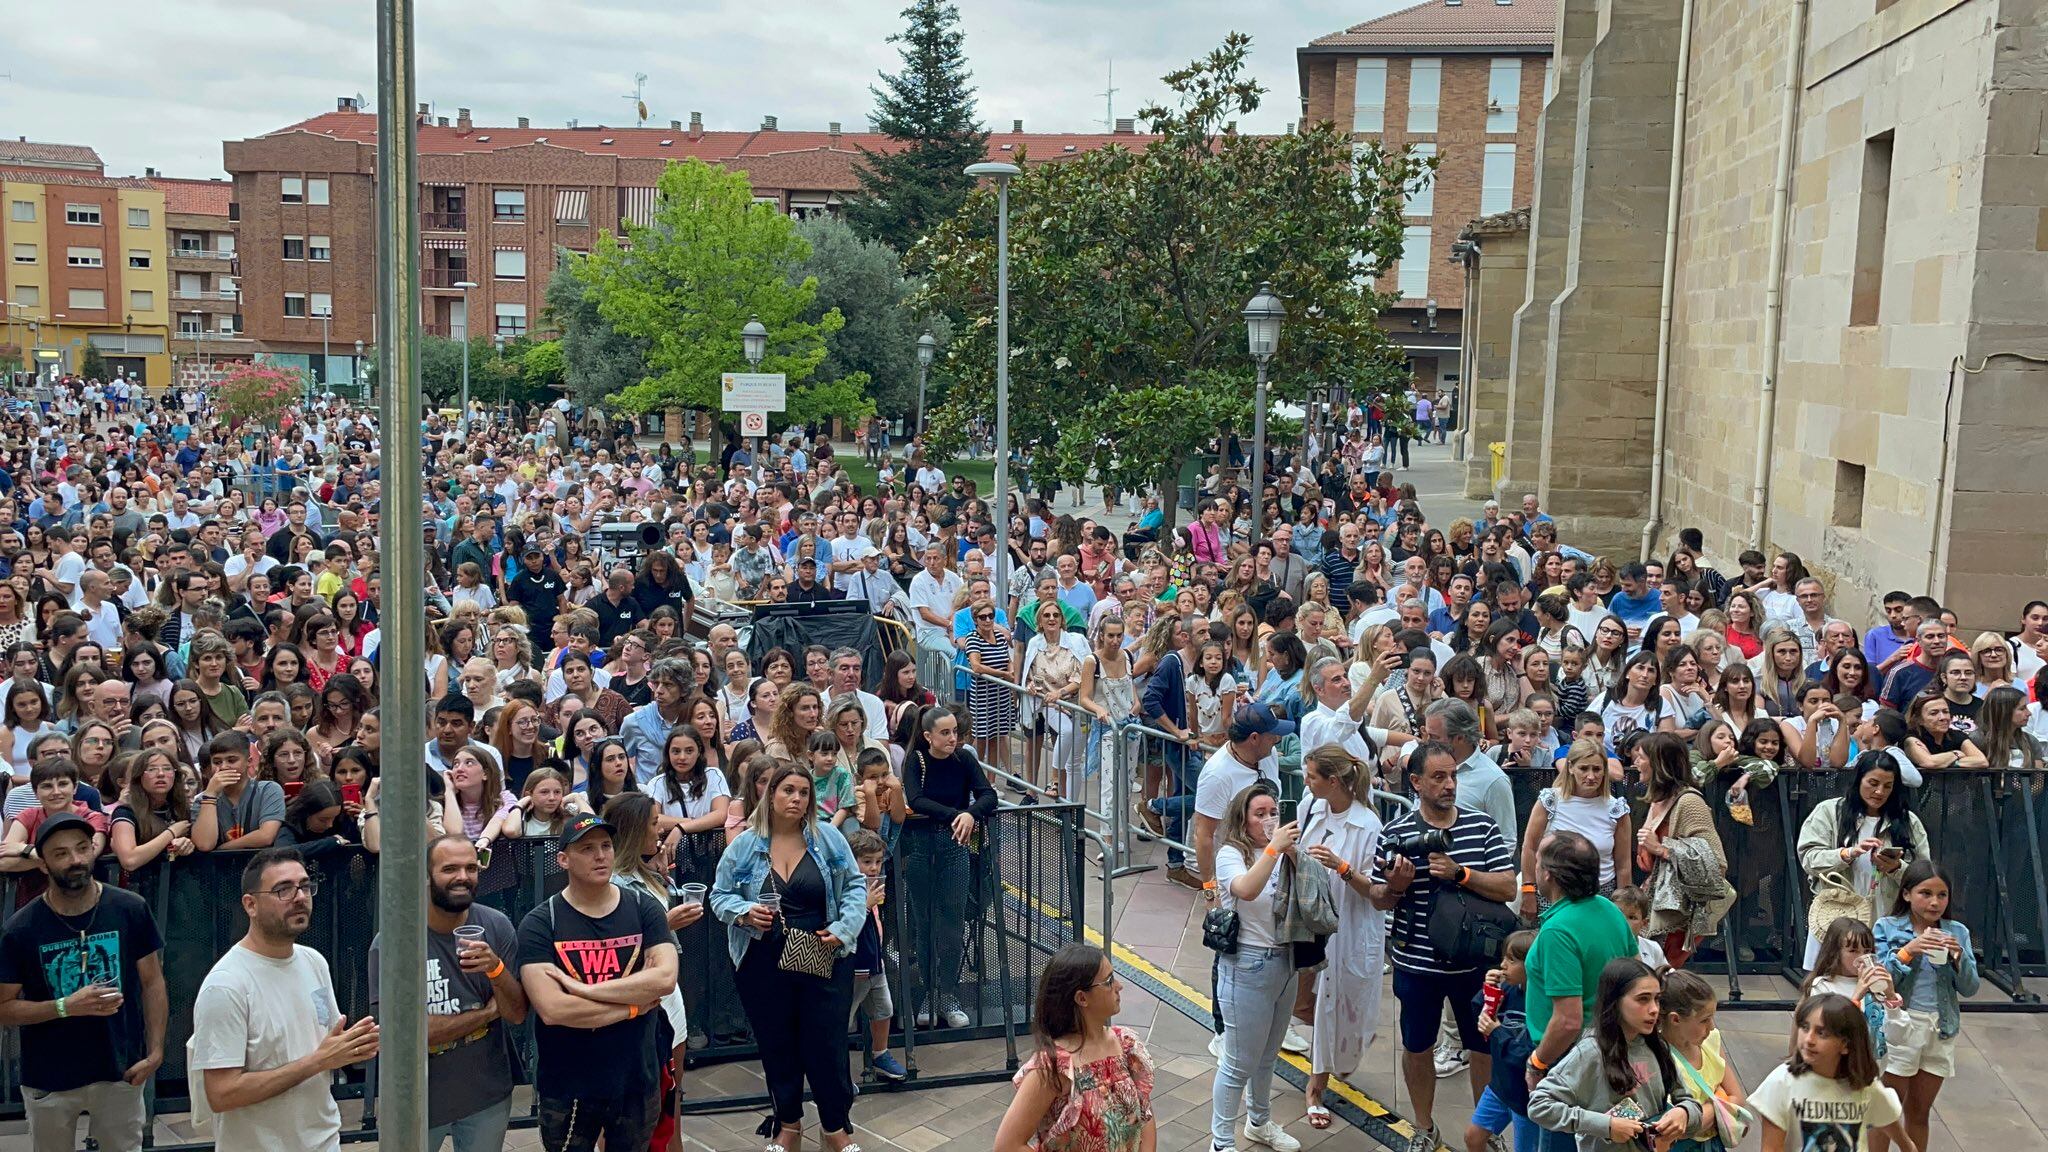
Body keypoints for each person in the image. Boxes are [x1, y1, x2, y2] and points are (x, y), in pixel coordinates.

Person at [710, 762, 868, 1152]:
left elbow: (855, 887)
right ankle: (789, 1124)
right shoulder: (745, 844)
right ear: (771, 795)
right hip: (762, 959)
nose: (796, 799)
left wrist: (844, 929)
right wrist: (744, 912)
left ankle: (835, 1127)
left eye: (804, 792)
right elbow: (718, 895)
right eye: (788, 791)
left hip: (824, 953)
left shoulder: (828, 838)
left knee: (828, 1044)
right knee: (777, 1043)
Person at [1369, 741, 1518, 1152]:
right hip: (1416, 962)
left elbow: (1508, 884)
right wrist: (1395, 887)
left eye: (1452, 775)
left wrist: (1462, 874)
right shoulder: (1395, 832)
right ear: (1415, 782)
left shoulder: (1481, 826)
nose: (1449, 784)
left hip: (1476, 964)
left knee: (1484, 1047)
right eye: (1438, 777)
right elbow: (1377, 897)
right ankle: (1423, 1126)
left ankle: (1484, 1133)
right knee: (1418, 1046)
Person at [191, 846, 380, 1152]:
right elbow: (222, 1093)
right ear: (250, 904)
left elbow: (324, 1044)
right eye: (283, 890)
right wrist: (319, 1061)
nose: (300, 897)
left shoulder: (314, 961)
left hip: (323, 1141)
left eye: (305, 885)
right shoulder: (226, 986)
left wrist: (352, 1047)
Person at [0, 813, 167, 1152]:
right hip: (49, 1076)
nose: (75, 860)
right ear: (43, 865)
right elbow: (3, 1008)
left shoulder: (129, 908)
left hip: (120, 1067)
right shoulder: (20, 929)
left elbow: (153, 982)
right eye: (60, 853)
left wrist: (156, 1050)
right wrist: (65, 1006)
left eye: (81, 848)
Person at [515, 811, 678, 1152]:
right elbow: (553, 1009)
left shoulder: (642, 907)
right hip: (567, 1083)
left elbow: (664, 978)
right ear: (563, 859)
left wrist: (584, 991)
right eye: (587, 848)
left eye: (606, 846)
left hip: (636, 1076)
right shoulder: (541, 922)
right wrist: (633, 1005)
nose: (601, 855)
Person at [368, 835, 528, 1152]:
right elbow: (403, 1034)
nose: (463, 877)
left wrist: (495, 968)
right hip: (413, 1098)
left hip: (485, 1090)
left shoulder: (496, 925)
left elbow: (516, 1013)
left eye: (471, 867)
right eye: (450, 868)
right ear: (425, 877)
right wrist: (484, 1014)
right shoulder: (393, 941)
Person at [1522, 832, 1640, 1152]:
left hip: (1569, 1061)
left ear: (1548, 874)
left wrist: (1537, 1062)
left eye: (1537, 859)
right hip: (1610, 1051)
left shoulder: (1558, 931)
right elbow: (1637, 975)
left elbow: (1568, 1020)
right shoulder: (1609, 909)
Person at [1208, 781, 1305, 1152]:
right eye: (1259, 814)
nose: (1268, 819)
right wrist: (1273, 849)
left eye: (1273, 812)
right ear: (1243, 819)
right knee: (1237, 1063)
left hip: (1286, 962)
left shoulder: (1284, 851)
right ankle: (1221, 1143)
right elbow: (1245, 890)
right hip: (1247, 965)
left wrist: (1299, 856)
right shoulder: (1232, 853)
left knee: (1268, 1055)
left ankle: (1260, 1122)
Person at [1296, 746, 1388, 1129]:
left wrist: (1342, 867)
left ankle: (1316, 1086)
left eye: (1312, 777)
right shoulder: (1310, 809)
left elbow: (1377, 891)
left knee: (1337, 1005)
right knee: (1303, 1004)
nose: (1306, 782)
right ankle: (1337, 1047)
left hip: (1350, 927)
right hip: (1308, 925)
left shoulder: (1368, 826)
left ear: (1333, 781)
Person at [1526, 957, 1702, 1152]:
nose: (1654, 1009)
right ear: (1615, 1001)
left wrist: (1683, 1113)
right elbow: (1539, 1105)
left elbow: (1689, 1101)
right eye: (1643, 999)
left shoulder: (1657, 1047)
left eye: (1657, 999)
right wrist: (1607, 1126)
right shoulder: (1590, 1053)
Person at [993, 942, 1156, 1152]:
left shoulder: (1126, 1045)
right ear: (1081, 998)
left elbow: (1145, 1115)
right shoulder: (1053, 1066)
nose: (1119, 986)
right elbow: (1007, 1146)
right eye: (1108, 981)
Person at [900, 704, 998, 1028]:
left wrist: (970, 813)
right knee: (924, 922)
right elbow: (915, 800)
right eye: (945, 733)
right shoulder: (916, 760)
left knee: (952, 924)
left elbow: (988, 794)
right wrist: (954, 814)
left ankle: (948, 992)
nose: (952, 738)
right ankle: (929, 992)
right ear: (928, 735)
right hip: (921, 851)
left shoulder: (965, 759)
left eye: (955, 731)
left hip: (956, 851)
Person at [1872, 860, 1974, 1152]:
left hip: (1941, 1027)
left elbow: (1970, 988)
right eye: (1925, 893)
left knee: (1919, 1111)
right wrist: (1907, 952)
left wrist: (1958, 959)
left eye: (1942, 895)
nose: (1934, 902)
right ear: (1906, 894)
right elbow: (1879, 981)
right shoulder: (1887, 927)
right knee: (1887, 1108)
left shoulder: (1958, 932)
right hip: (1901, 1023)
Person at [1795, 752, 1929, 968]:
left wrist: (1896, 867)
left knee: (1879, 986)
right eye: (1873, 783)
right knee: (1829, 988)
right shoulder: (1829, 811)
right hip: (1836, 914)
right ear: (1859, 780)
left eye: (1888, 786)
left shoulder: (1908, 821)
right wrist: (1847, 854)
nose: (1879, 792)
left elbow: (1925, 877)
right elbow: (1809, 859)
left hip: (1887, 918)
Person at [1748, 994, 1913, 1152]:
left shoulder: (1865, 1086)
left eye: (1822, 1033)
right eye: (1805, 1028)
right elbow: (1772, 1148)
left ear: (1846, 1045)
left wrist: (1908, 1147)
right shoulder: (1781, 1082)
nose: (1809, 1039)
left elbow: (1898, 1132)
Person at [843, 827, 909, 1081]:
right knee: (843, 1020)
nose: (873, 868)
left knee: (884, 1010)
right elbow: (848, 923)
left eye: (878, 862)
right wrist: (865, 904)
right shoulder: (849, 889)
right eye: (867, 862)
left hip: (874, 963)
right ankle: (835, 1072)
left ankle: (879, 1053)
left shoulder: (874, 885)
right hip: (855, 966)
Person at [1463, 930, 1538, 1152]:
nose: (1503, 965)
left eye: (1512, 960)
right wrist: (1489, 992)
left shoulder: (1541, 1004)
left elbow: (1528, 1053)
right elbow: (1481, 1020)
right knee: (1473, 1137)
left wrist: (1497, 1032)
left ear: (1532, 965)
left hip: (1526, 1098)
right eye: (1504, 958)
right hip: (1500, 1085)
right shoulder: (1507, 989)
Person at [1658, 968, 1748, 1152]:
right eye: (1704, 1020)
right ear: (1675, 1019)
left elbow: (1738, 1097)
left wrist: (1700, 1114)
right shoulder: (1660, 1059)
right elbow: (1677, 1130)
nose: (1712, 1026)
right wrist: (1720, 1101)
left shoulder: (1710, 1043)